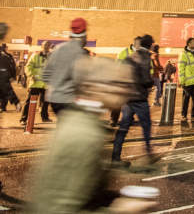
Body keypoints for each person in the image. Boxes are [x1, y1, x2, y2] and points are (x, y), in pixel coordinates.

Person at [26, 56, 148, 213]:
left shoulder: (83, 121)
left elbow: (82, 193)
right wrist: (121, 210)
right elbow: (60, 208)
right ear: (92, 87)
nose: (127, 90)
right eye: (117, 84)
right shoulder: (84, 134)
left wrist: (114, 199)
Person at [111, 34, 156, 168]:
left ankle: (115, 157)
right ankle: (148, 153)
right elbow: (145, 79)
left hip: (128, 97)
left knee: (123, 127)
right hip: (139, 98)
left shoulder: (130, 56)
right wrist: (150, 83)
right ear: (149, 45)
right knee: (146, 125)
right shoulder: (145, 57)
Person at [42, 18, 90, 116]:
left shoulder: (58, 49)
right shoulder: (80, 53)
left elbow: (45, 75)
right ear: (84, 36)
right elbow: (80, 80)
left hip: (54, 98)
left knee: (64, 125)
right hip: (70, 100)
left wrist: (57, 86)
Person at [20, 41, 52, 125]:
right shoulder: (35, 55)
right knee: (29, 101)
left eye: (48, 45)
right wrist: (31, 75)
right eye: (45, 45)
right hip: (35, 83)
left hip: (46, 84)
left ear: (50, 46)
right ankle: (23, 119)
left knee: (45, 102)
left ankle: (45, 117)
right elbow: (28, 66)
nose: (46, 46)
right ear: (41, 46)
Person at [177, 37, 194, 120]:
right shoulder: (183, 54)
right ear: (189, 44)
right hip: (187, 81)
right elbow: (181, 68)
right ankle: (183, 114)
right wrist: (181, 80)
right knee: (186, 98)